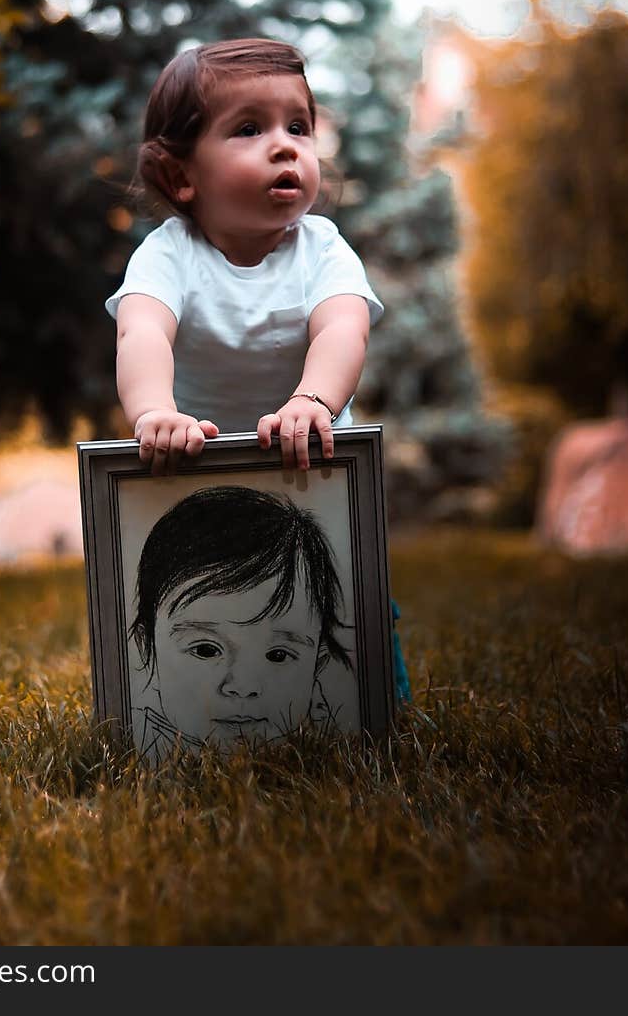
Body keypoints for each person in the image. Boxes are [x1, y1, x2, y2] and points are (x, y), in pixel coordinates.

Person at [106, 37, 410, 702]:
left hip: (315, 458)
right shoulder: (169, 255)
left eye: (298, 126)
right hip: (206, 472)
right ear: (181, 175)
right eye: (249, 128)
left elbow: (343, 325)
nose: (286, 146)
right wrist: (155, 411)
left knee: (351, 598)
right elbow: (142, 329)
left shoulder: (322, 249)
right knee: (221, 611)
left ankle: (380, 711)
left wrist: (314, 400)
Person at [129, 486, 353, 757]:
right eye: (206, 650)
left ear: (317, 665)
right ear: (147, 649)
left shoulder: (332, 750)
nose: (243, 686)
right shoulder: (132, 746)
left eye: (278, 655)